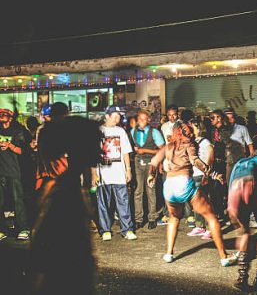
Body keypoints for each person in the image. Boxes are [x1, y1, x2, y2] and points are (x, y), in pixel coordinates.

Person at [147, 121, 237, 266]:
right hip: (183, 183)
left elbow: (154, 161)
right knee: (211, 217)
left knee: (174, 218)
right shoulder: (188, 144)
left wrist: (151, 175)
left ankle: (169, 254)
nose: (190, 132)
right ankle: (224, 256)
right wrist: (213, 174)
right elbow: (196, 161)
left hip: (169, 186)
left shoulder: (168, 146)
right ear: (182, 131)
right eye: (188, 130)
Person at [29, 116, 101, 294]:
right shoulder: (65, 193)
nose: (99, 150)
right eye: (95, 142)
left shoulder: (65, 186)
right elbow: (48, 252)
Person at [228, 141, 257, 290]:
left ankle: (242, 278)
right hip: (252, 184)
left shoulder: (242, 161)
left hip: (234, 188)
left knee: (243, 232)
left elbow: (230, 180)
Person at [92, 106, 136, 241]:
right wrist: (94, 173)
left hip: (119, 174)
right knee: (103, 203)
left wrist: (128, 169)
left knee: (123, 202)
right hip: (103, 174)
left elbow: (125, 152)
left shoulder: (121, 131)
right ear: (107, 116)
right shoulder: (98, 131)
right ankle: (105, 230)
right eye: (115, 116)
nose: (118, 119)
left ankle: (127, 229)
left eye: (119, 116)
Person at [131, 109, 165, 230]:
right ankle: (138, 219)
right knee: (138, 191)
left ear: (148, 120)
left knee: (150, 190)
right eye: (140, 119)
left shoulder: (154, 132)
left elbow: (162, 150)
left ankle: (152, 218)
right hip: (137, 162)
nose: (142, 121)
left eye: (144, 119)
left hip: (151, 162)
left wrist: (145, 151)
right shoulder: (132, 131)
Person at [0, 108, 30, 241]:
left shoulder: (17, 131)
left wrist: (10, 145)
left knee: (18, 200)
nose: (1, 117)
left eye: (4, 115)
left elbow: (23, 151)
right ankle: (2, 230)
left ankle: (23, 228)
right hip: (1, 171)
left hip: (14, 171)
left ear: (10, 117)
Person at [185, 119, 214, 240]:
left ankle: (210, 228)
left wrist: (206, 173)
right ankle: (199, 226)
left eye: (192, 127)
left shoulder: (205, 141)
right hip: (194, 174)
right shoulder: (192, 142)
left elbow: (211, 156)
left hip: (201, 174)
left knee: (205, 202)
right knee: (196, 202)